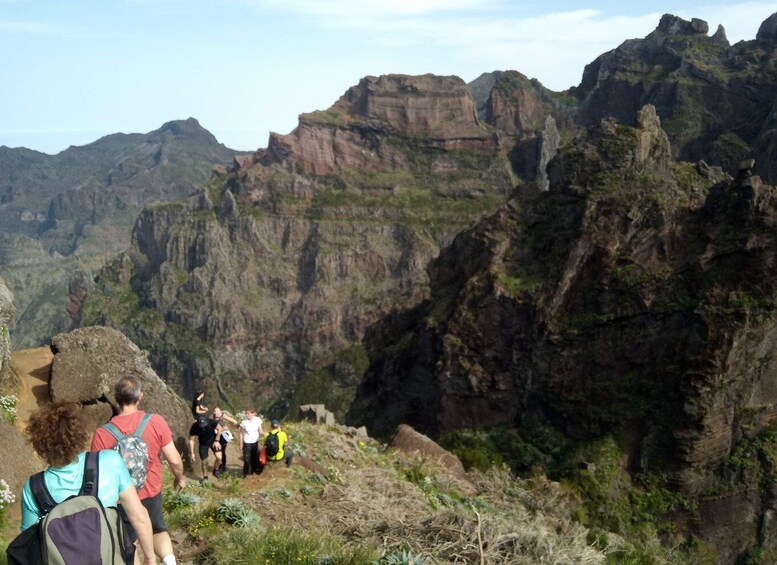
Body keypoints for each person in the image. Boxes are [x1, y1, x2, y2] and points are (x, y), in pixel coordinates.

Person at [21, 401, 156, 565]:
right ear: (78, 434)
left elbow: (28, 546)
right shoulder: (109, 461)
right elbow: (139, 517)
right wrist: (150, 558)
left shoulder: (34, 488)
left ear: (40, 445)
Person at [91, 375, 186, 565]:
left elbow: (97, 474)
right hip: (151, 491)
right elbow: (174, 460)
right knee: (157, 529)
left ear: (116, 398)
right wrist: (180, 478)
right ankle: (169, 561)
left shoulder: (102, 433)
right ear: (140, 396)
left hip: (122, 499)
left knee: (129, 542)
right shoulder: (155, 421)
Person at [188, 415, 222, 480]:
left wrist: (217, 440)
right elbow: (191, 439)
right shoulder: (194, 427)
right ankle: (205, 477)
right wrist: (192, 453)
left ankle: (216, 470)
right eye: (201, 425)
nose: (203, 426)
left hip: (213, 440)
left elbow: (219, 428)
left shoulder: (211, 422)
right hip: (203, 443)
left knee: (219, 457)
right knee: (204, 461)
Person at [238, 408, 264, 477]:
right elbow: (241, 433)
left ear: (253, 414)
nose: (247, 415)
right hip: (247, 442)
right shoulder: (244, 422)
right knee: (246, 459)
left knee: (254, 458)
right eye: (246, 413)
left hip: (255, 442)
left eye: (248, 413)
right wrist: (241, 444)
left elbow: (260, 430)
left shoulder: (258, 420)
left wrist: (264, 434)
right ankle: (245, 474)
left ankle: (253, 472)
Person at [213, 406, 238, 473]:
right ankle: (217, 466)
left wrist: (228, 427)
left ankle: (223, 465)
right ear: (214, 412)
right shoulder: (212, 417)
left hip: (223, 436)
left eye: (218, 411)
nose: (217, 413)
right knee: (217, 452)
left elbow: (234, 422)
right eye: (215, 411)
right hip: (215, 436)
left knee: (223, 451)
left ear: (221, 412)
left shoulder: (223, 416)